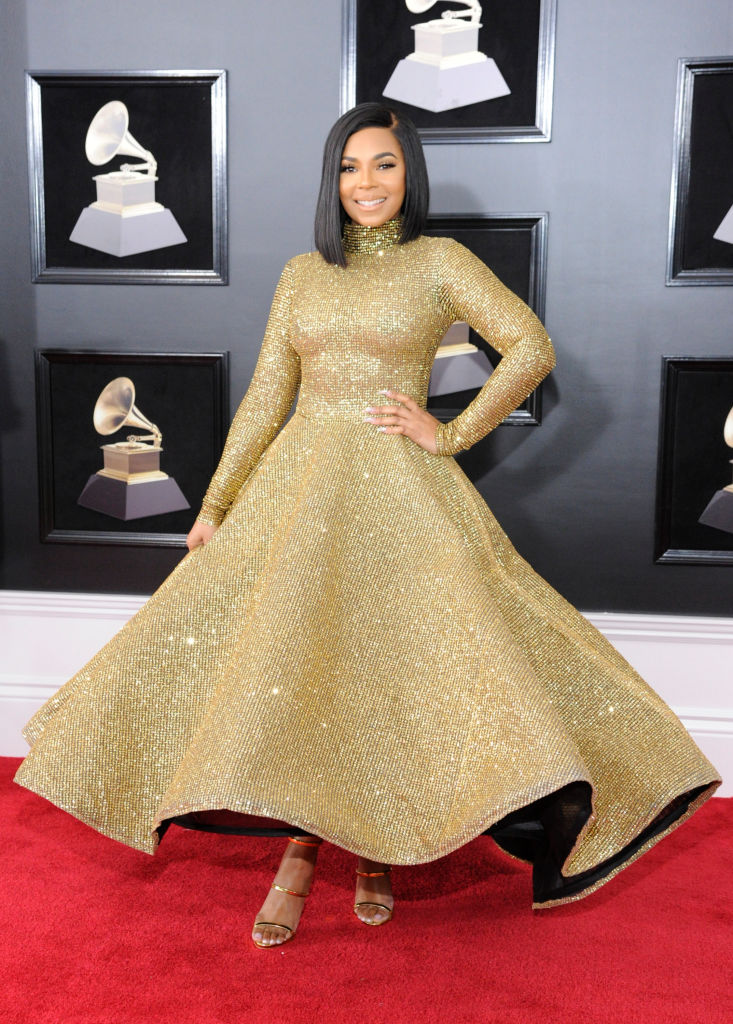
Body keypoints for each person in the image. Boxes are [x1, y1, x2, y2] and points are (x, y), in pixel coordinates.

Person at [14, 103, 721, 950]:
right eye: (350, 167)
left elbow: (529, 347)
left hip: (398, 490)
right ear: (332, 180)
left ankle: (373, 850)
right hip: (301, 493)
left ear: (407, 174)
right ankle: (301, 856)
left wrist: (449, 432)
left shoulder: (438, 262)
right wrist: (214, 506)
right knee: (299, 670)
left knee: (385, 666)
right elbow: (267, 396)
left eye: (383, 165)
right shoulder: (300, 275)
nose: (366, 183)